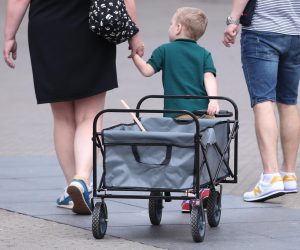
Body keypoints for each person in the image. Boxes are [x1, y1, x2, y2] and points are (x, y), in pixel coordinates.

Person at [3, 0, 144, 215]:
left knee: (62, 118)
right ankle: (81, 179)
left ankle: (72, 189)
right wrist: (133, 35)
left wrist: (9, 35)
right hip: (92, 28)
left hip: (47, 30)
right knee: (89, 117)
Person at [132, 7, 220, 211]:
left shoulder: (164, 50)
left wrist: (135, 55)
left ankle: (189, 191)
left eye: (171, 24)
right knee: (200, 151)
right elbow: (209, 77)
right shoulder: (204, 53)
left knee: (179, 152)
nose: (169, 27)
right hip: (201, 115)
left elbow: (147, 71)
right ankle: (204, 186)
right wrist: (213, 101)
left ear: (179, 27)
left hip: (174, 116)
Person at [223, 0, 300, 202]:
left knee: (263, 101)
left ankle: (271, 176)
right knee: (289, 102)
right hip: (296, 33)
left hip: (262, 31)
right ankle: (289, 174)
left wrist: (233, 19)